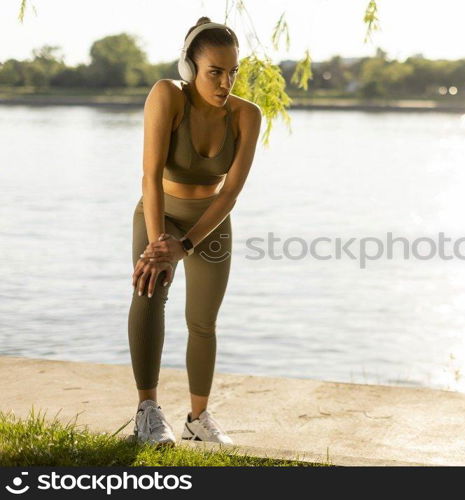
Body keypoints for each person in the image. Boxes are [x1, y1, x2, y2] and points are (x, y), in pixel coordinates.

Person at [128, 16, 261, 446]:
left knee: (203, 322)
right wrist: (157, 247)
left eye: (232, 72)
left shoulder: (246, 115)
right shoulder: (168, 95)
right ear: (190, 68)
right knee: (150, 295)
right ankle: (147, 413)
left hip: (210, 223)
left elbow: (230, 193)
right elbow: (149, 178)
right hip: (158, 213)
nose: (225, 82)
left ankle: (198, 420)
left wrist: (184, 246)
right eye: (214, 72)